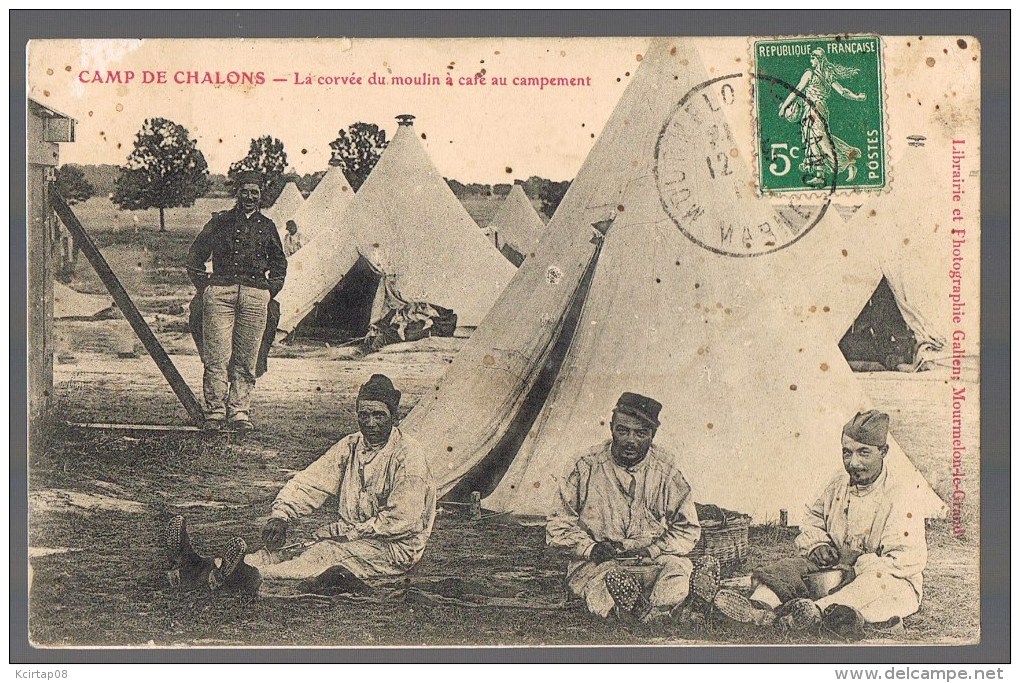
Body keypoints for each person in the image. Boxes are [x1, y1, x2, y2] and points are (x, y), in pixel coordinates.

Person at [166, 374, 437, 596]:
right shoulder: (351, 445)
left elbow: (404, 520)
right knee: (281, 551)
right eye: (363, 415)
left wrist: (346, 532)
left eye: (379, 415)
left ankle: (247, 577)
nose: (370, 423)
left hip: (393, 549)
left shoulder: (408, 456)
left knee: (321, 555)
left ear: (394, 416)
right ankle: (200, 566)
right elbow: (312, 481)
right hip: (353, 535)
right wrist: (282, 515)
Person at [704, 410, 927, 637]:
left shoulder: (902, 494)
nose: (854, 463)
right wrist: (817, 545)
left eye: (864, 453)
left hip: (883, 577)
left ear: (883, 452)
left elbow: (903, 560)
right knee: (789, 569)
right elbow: (812, 519)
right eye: (847, 453)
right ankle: (757, 609)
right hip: (834, 567)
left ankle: (815, 613)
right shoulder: (838, 483)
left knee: (872, 587)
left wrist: (857, 564)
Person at [546, 392, 704, 622]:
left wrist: (653, 550)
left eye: (641, 433)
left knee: (678, 570)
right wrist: (591, 549)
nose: (631, 440)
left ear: (653, 435)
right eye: (623, 430)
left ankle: (660, 610)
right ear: (611, 428)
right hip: (599, 565)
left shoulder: (668, 470)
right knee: (600, 588)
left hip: (651, 561)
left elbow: (688, 529)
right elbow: (557, 525)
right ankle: (636, 611)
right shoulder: (584, 466)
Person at [187, 171, 287, 432]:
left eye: (255, 192)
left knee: (246, 357)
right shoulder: (220, 222)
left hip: (255, 296)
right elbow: (196, 256)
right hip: (220, 292)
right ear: (237, 193)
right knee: (217, 355)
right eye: (245, 191)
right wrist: (206, 287)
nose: (249, 197)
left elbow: (279, 265)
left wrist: (268, 291)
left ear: (261, 195)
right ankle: (216, 410)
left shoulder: (267, 226)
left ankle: (239, 410)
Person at [779, 48, 867, 187]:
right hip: (813, 109)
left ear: (818, 59)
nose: (811, 60)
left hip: (816, 109)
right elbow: (843, 92)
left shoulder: (811, 73)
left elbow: (797, 91)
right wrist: (856, 97)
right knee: (812, 140)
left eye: (813, 58)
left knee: (821, 140)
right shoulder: (826, 74)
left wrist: (784, 107)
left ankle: (848, 164)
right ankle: (819, 175)